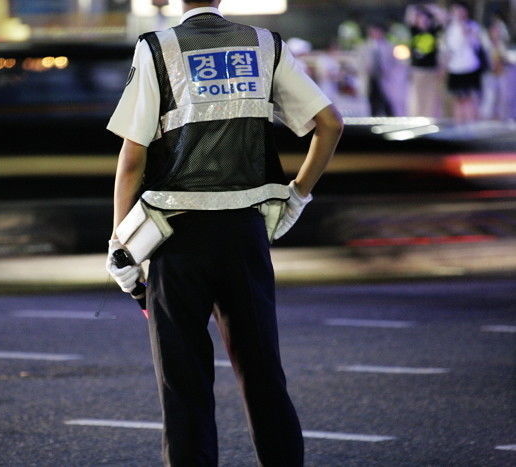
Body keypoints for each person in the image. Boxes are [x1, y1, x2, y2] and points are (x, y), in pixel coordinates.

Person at [105, 1, 343, 465]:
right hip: (243, 235)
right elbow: (330, 123)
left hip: (176, 239)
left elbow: (133, 156)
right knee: (263, 378)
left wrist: (121, 242)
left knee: (185, 387)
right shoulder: (265, 45)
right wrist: (297, 195)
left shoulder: (159, 48)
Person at [440, 1, 484, 123]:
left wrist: (464, 29)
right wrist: (444, 66)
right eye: (455, 10)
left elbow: (476, 45)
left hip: (469, 67)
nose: (458, 13)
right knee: (457, 99)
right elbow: (447, 49)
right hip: (455, 68)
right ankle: (459, 126)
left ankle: (472, 125)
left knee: (469, 99)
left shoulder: (473, 26)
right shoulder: (449, 28)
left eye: (460, 10)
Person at [405, 4, 444, 117]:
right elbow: (409, 15)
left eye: (425, 18)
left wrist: (432, 8)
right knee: (417, 96)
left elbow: (442, 18)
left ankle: (428, 117)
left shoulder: (434, 32)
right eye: (420, 18)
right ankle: (417, 117)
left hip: (431, 69)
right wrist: (419, 8)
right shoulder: (414, 31)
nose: (423, 21)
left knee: (431, 96)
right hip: (417, 69)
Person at [361, 22, 396, 116]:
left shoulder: (388, 46)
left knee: (386, 100)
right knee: (373, 100)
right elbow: (361, 61)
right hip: (371, 77)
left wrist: (387, 70)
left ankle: (390, 118)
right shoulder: (365, 46)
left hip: (384, 77)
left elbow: (393, 62)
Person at [480, 13, 511, 120]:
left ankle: (500, 118)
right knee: (490, 98)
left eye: (498, 30)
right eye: (494, 30)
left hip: (501, 74)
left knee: (503, 97)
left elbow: (505, 59)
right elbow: (486, 60)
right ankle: (487, 119)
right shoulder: (486, 44)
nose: (497, 32)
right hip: (489, 75)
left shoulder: (501, 44)